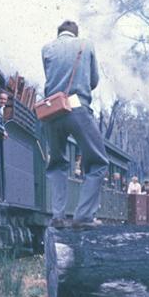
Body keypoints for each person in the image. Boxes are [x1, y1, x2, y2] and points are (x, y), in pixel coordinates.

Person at [42, 20, 108, 229]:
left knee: (57, 163)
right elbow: (94, 80)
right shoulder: (85, 44)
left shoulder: (46, 48)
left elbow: (50, 77)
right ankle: (84, 216)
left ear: (59, 33)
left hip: (52, 109)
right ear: (75, 33)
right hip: (76, 105)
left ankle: (57, 216)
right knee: (98, 162)